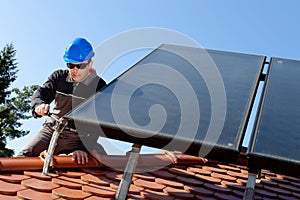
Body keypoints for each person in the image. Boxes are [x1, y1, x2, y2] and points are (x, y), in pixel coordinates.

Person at [17, 37, 107, 164]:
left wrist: (83, 148)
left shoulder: (99, 86)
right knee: (21, 159)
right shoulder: (58, 77)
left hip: (78, 138)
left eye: (80, 65)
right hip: (51, 130)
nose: (75, 70)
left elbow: (98, 123)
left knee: (97, 163)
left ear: (90, 64)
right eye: (71, 65)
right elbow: (41, 93)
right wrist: (39, 105)